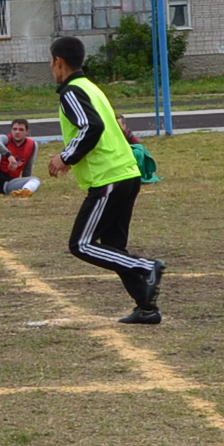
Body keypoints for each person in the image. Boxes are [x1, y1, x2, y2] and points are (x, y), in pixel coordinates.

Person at [46, 37, 164, 324]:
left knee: (82, 244)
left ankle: (146, 266)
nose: (52, 68)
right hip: (126, 174)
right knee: (113, 246)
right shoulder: (91, 87)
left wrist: (66, 157)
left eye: (51, 63)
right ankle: (146, 307)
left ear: (59, 62)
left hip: (109, 178)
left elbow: (92, 126)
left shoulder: (71, 91)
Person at [0, 119, 40, 195]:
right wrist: (9, 156)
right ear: (11, 130)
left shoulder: (32, 145)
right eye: (14, 129)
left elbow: (27, 169)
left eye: (21, 129)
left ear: (27, 132)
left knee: (36, 180)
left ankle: (24, 191)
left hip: (5, 182)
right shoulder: (6, 139)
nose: (17, 132)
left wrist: (25, 181)